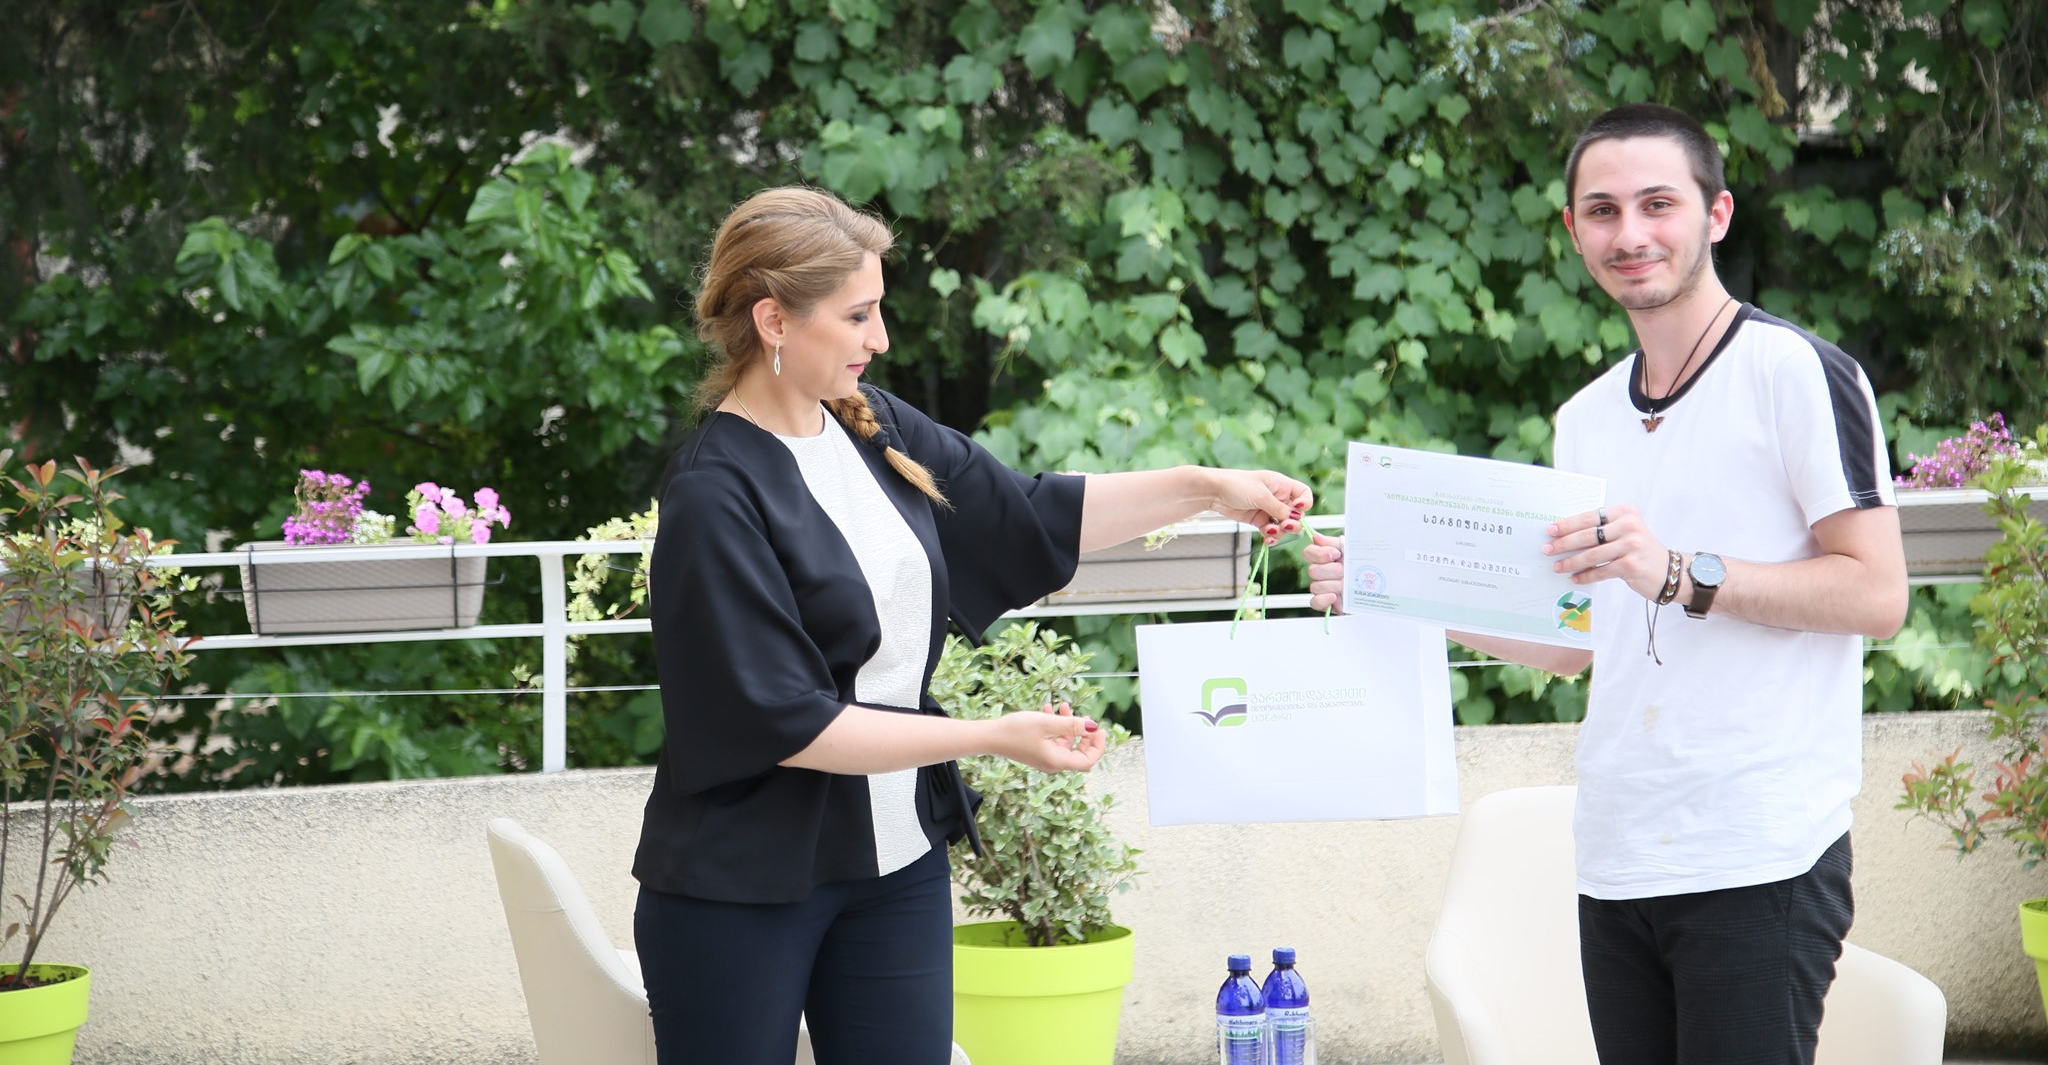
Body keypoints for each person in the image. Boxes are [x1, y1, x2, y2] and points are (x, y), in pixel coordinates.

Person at [634, 186, 1313, 1065]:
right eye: (858, 315)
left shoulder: (872, 426)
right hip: (740, 887)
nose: (881, 338)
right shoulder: (713, 493)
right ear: (773, 320)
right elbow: (789, 722)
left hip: (896, 867)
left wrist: (1208, 488)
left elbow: (1030, 514)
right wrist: (992, 734)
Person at [1307, 103, 1907, 1065]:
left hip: (1759, 847)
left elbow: (1877, 594)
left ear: (1716, 213)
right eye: (1603, 210)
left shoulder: (1794, 372)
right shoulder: (1584, 417)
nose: (1630, 233)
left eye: (1657, 203)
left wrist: (1676, 572)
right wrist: (1390, 587)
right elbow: (1571, 642)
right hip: (1618, 849)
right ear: (1574, 230)